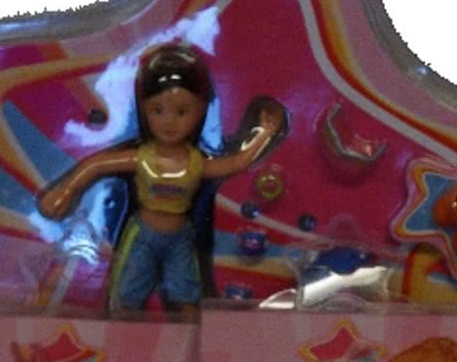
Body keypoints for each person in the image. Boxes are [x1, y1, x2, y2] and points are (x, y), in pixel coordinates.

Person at [38, 44, 287, 313]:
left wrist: (264, 134)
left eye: (181, 112)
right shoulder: (142, 158)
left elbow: (237, 162)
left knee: (188, 296)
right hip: (142, 236)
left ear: (200, 110)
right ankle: (118, 331)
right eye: (158, 110)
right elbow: (97, 165)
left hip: (180, 239)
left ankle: (194, 336)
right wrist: (68, 189)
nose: (169, 122)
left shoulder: (196, 163)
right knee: (125, 297)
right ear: (144, 110)